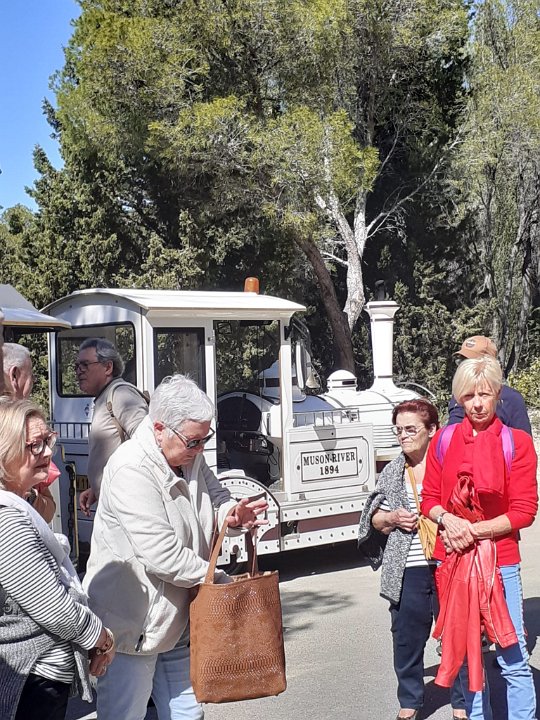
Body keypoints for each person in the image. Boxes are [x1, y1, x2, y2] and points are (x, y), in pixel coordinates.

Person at [83, 374, 269, 720]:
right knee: (125, 714)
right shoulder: (130, 468)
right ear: (159, 429)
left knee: (188, 714)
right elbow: (162, 555)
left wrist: (232, 514)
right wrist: (220, 581)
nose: (199, 450)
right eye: (194, 442)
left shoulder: (186, 450)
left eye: (204, 439)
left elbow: (217, 496)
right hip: (132, 626)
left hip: (178, 618)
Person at [422, 356, 538, 720]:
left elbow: (524, 511)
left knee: (512, 654)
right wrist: (447, 520)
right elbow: (429, 499)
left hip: (501, 562)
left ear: (498, 394)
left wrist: (471, 530)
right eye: (469, 395)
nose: (476, 403)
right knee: (467, 658)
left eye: (484, 394)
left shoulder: (517, 443)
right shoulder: (443, 440)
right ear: (459, 398)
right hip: (453, 562)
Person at [0, 399, 116, 720]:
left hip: (37, 675)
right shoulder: (7, 520)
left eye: (48, 440)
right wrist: (102, 639)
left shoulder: (19, 504)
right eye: (35, 445)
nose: (48, 452)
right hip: (32, 680)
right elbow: (53, 608)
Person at [358, 398, 440, 720]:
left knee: (459, 635)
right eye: (398, 430)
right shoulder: (393, 471)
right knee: (406, 638)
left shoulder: (448, 463)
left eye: (410, 429)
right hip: (408, 566)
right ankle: (410, 701)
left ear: (431, 429)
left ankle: (463, 702)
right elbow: (373, 519)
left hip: (449, 563)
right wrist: (391, 518)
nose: (403, 436)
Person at [76, 338, 148, 515]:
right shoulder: (106, 396)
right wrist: (97, 487)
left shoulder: (121, 394)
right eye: (77, 366)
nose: (79, 371)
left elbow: (148, 442)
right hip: (115, 502)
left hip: (127, 505)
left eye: (85, 365)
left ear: (108, 367)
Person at [2, 342, 56, 522]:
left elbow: (48, 507)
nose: (47, 452)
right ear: (14, 375)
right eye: (31, 376)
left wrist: (28, 495)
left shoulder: (31, 426)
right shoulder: (27, 428)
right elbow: (47, 509)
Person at [448, 336, 531, 434]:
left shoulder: (512, 398)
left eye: (471, 362)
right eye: (462, 361)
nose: (477, 403)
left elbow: (523, 439)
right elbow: (452, 431)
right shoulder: (459, 394)